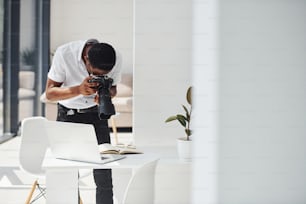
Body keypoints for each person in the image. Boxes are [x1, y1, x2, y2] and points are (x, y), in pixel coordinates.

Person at [44, 39, 122, 204]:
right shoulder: (64, 54)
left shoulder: (114, 57)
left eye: (103, 75)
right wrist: (78, 90)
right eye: (95, 74)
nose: (98, 78)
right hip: (69, 114)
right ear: (86, 59)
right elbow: (50, 93)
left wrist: (106, 93)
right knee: (68, 172)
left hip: (97, 114)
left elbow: (113, 87)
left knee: (104, 173)